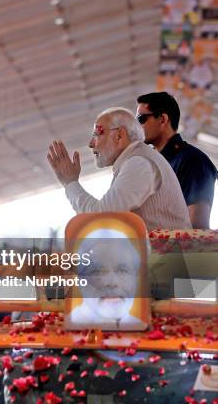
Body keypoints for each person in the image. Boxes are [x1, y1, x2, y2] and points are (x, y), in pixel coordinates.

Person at [47, 107, 192, 231]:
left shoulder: (139, 163)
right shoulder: (138, 159)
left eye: (96, 135)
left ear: (119, 135)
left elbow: (101, 219)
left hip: (169, 261)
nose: (91, 144)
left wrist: (71, 183)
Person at [136, 92, 217, 228]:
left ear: (162, 119)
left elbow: (196, 228)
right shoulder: (152, 164)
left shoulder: (192, 160)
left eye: (141, 119)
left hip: (177, 249)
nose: (137, 126)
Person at [66, 231, 145, 331]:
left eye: (122, 271)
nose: (112, 283)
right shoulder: (66, 328)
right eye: (97, 271)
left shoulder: (141, 326)